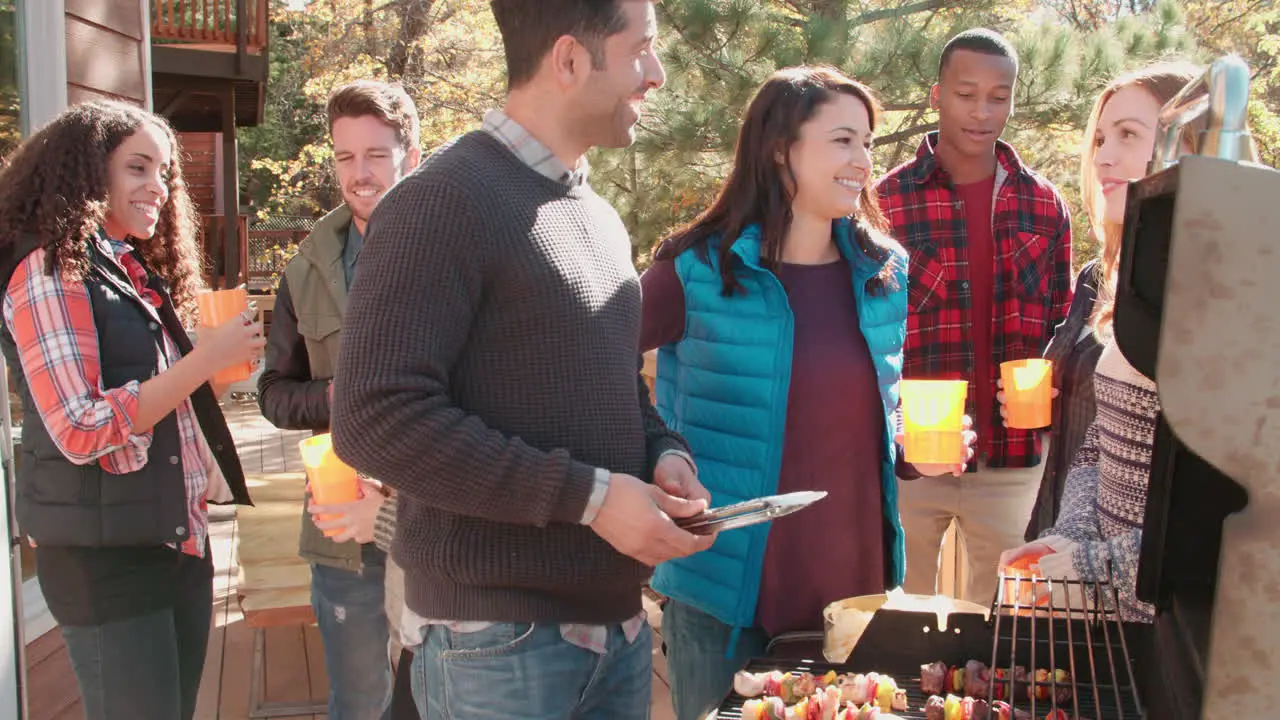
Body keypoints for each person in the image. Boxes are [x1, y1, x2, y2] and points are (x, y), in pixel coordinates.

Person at [329, 1, 715, 717]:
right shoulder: (440, 201)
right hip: (497, 650)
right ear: (569, 61)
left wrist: (663, 453)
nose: (657, 75)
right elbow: (373, 419)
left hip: (617, 634)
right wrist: (592, 498)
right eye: (642, 50)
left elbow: (611, 383)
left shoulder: (595, 214)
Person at [641, 65, 976, 720]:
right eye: (843, 141)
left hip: (854, 602)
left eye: (869, 144)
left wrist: (917, 450)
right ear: (779, 148)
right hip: (726, 598)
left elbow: (869, 421)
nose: (863, 161)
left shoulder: (885, 272)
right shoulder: (694, 269)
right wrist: (654, 451)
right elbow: (592, 364)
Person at [0, 100, 262, 719]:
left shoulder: (124, 268)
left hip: (173, 545)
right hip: (107, 566)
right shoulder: (47, 268)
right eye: (138, 168)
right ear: (90, 172)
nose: (160, 187)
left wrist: (214, 378)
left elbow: (158, 410)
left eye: (166, 171)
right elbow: (81, 425)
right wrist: (200, 361)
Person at [999, 61, 1211, 622]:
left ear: (1190, 145)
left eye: (1129, 135)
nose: (1103, 157)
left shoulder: (1225, 297)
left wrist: (1085, 566)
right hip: (1113, 615)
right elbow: (1099, 442)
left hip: (1176, 627)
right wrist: (1064, 541)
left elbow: (1218, 521)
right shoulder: (1132, 280)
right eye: (1100, 137)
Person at [876, 28, 1074, 605]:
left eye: (999, 96)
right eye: (967, 94)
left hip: (1015, 460)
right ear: (937, 95)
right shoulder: (886, 201)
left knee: (1001, 629)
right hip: (914, 461)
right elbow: (864, 334)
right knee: (897, 620)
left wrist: (1053, 388)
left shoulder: (1044, 203)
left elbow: (1064, 324)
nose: (983, 112)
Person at [257, 80, 422, 720]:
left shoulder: (453, 246)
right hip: (339, 527)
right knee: (358, 703)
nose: (360, 173)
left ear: (410, 153)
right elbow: (274, 394)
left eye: (376, 155)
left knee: (433, 698)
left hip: (432, 524)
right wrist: (337, 397)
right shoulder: (304, 267)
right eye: (345, 157)